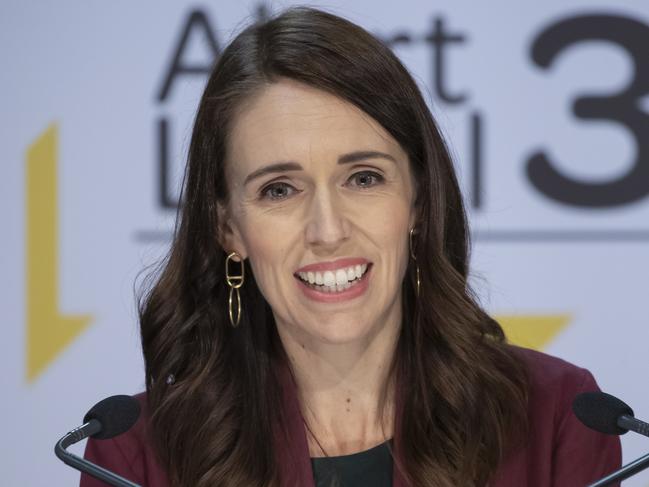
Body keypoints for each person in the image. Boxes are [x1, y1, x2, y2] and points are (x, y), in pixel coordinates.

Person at [81, 7, 620, 487]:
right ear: (229, 229)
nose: (328, 229)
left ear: (418, 201)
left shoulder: (558, 417)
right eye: (279, 189)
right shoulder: (135, 460)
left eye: (363, 178)